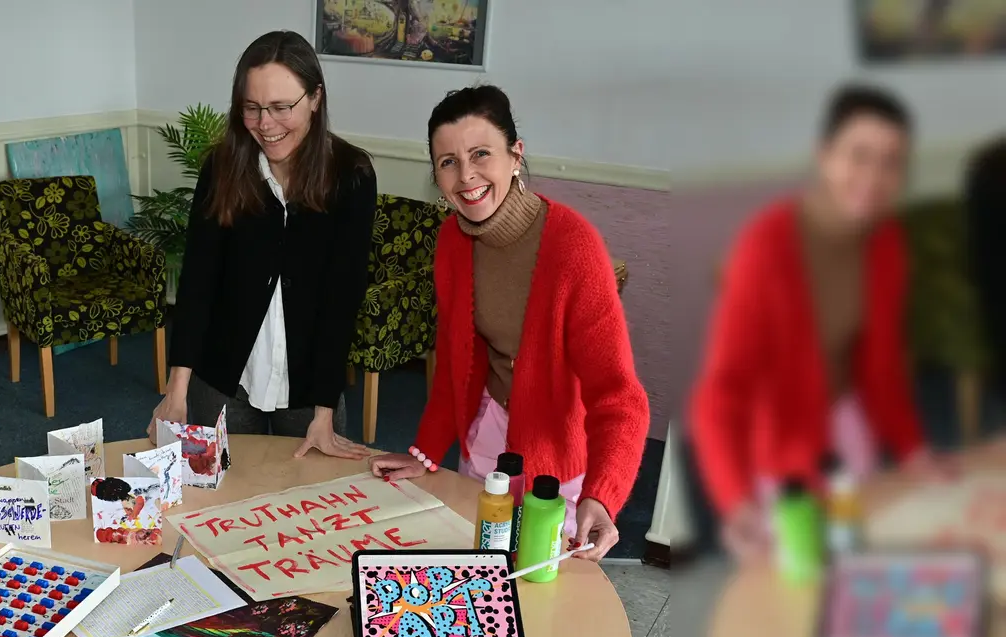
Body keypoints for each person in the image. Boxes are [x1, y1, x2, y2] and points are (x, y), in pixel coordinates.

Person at [370, 86, 649, 561]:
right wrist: (425, 450)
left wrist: (602, 496)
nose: (466, 176)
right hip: (485, 434)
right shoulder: (452, 240)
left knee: (542, 586)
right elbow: (456, 360)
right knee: (480, 565)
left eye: (481, 154)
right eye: (448, 162)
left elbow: (620, 397)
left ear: (516, 155)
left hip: (556, 455)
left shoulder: (573, 247)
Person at [688, 84, 951, 563]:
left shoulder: (887, 242)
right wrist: (735, 502)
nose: (875, 176)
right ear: (825, 157)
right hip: (781, 449)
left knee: (859, 556)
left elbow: (884, 363)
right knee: (799, 581)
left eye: (892, 162)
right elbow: (722, 390)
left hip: (848, 424)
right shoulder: (765, 246)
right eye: (860, 155)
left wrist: (914, 451)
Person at [151, 30, 376, 461]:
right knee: (217, 506)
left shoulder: (351, 174)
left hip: (310, 388)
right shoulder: (222, 167)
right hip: (223, 379)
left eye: (280, 107)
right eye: (251, 108)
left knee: (310, 511)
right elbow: (199, 281)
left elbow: (341, 299)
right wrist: (176, 392)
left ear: (315, 98)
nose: (265, 124)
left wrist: (325, 411)